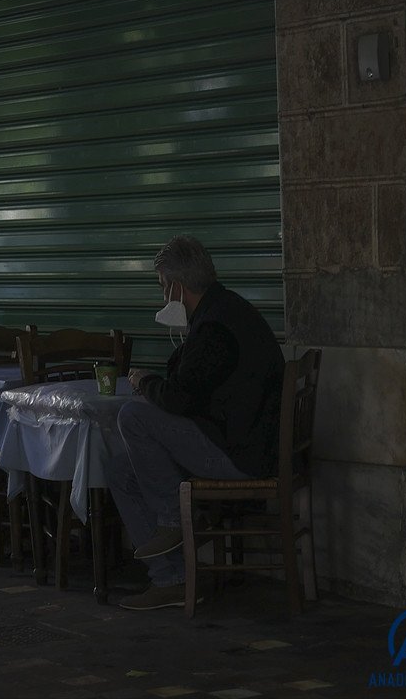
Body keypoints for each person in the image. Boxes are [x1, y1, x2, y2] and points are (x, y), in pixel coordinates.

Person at [103, 235, 284, 611]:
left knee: (132, 415)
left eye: (160, 287)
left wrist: (143, 382)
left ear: (174, 287)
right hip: (229, 442)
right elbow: (189, 381)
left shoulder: (217, 326)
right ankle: (170, 579)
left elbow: (177, 399)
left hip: (238, 457)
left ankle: (172, 521)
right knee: (119, 470)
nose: (160, 297)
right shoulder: (219, 311)